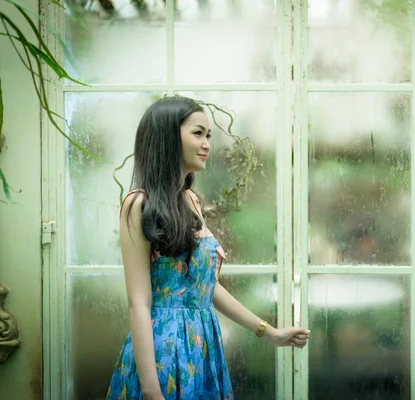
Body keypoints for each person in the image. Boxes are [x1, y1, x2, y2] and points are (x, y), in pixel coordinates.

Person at [106, 96, 310, 400]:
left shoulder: (191, 201)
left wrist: (271, 334)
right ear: (167, 136)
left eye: (208, 135)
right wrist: (152, 391)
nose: (207, 144)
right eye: (197, 133)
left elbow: (205, 286)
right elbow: (139, 304)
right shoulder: (138, 204)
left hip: (203, 347)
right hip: (163, 351)